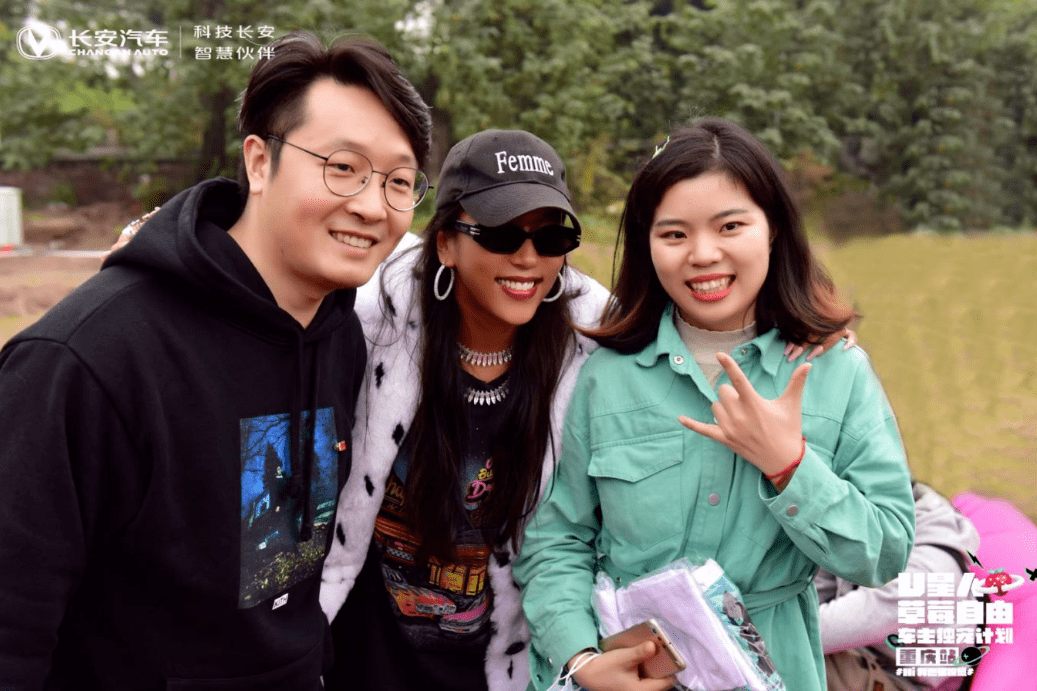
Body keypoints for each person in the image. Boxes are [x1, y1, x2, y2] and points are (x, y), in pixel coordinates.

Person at [0, 31, 431, 690]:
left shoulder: (338, 334)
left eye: (398, 181)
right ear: (259, 162)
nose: (373, 206)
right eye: (343, 166)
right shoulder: (87, 361)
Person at [513, 119, 916, 691]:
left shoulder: (837, 373)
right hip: (630, 670)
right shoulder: (606, 375)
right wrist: (582, 660)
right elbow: (557, 540)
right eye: (674, 234)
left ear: (773, 229)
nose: (703, 255)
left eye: (730, 226)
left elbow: (884, 553)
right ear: (647, 245)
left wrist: (789, 466)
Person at [317, 129, 610, 691]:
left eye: (551, 237)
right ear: (446, 244)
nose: (528, 258)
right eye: (500, 233)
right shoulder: (371, 325)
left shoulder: (593, 352)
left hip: (507, 670)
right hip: (362, 662)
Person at [816, 482, 980, 691]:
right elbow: (810, 596)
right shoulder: (860, 514)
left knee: (791, 658)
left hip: (902, 682)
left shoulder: (927, 574)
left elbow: (818, 632)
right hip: (860, 653)